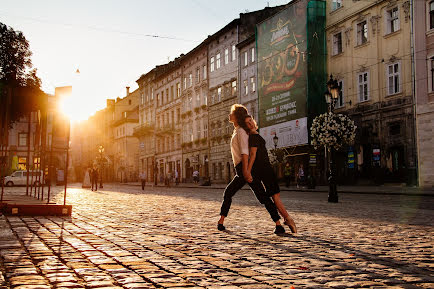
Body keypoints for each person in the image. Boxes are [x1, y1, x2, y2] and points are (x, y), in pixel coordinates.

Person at [217, 104, 284, 234]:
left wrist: (246, 171)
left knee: (255, 196)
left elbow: (244, 153)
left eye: (231, 113)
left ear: (236, 117)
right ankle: (278, 224)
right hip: (242, 168)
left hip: (244, 167)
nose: (229, 115)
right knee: (260, 196)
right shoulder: (238, 130)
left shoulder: (241, 131)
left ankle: (278, 223)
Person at [244, 115, 297, 234]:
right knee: (275, 197)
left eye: (251, 120)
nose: (251, 123)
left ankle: (288, 219)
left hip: (266, 169)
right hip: (264, 170)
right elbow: (253, 155)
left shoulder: (254, 134)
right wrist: (248, 170)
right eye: (248, 123)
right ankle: (288, 219)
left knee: (275, 197)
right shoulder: (252, 136)